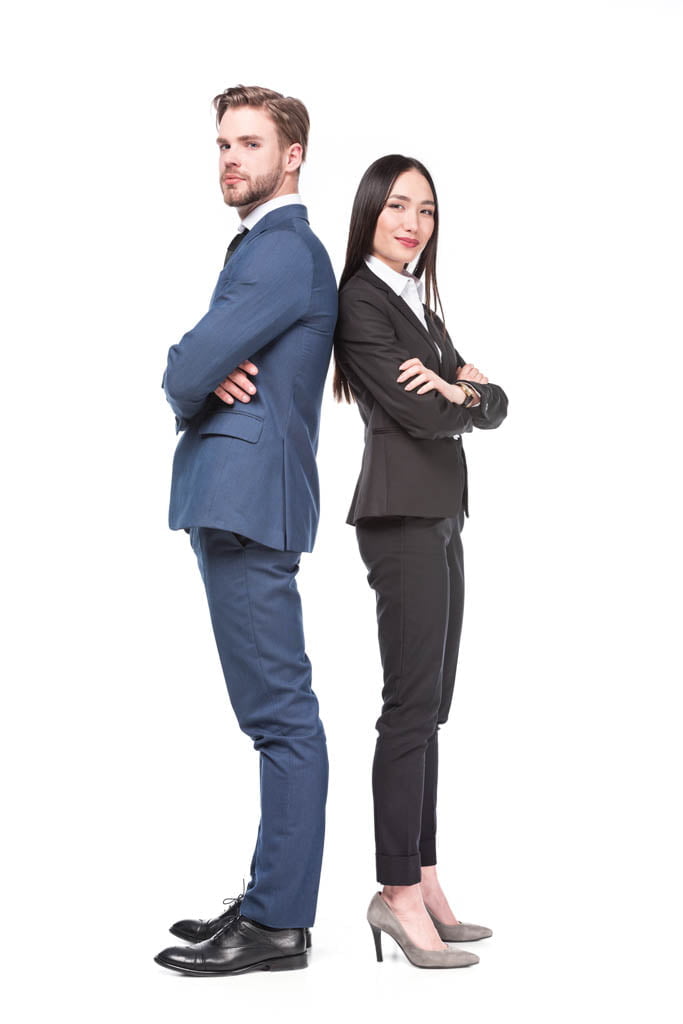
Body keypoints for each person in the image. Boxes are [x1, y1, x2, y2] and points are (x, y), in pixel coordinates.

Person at [154, 85, 337, 976]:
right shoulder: (271, 250)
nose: (229, 158)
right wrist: (205, 367)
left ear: (291, 155)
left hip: (247, 499)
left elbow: (188, 365)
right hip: (242, 499)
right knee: (275, 715)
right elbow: (203, 365)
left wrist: (195, 368)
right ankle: (271, 899)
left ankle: (276, 923)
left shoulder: (280, 250)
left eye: (249, 143)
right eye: (222, 143)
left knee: (281, 718)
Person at [333, 155, 508, 969]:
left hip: (443, 515)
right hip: (399, 516)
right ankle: (394, 892)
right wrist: (451, 394)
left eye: (427, 210)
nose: (412, 222)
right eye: (398, 205)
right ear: (370, 211)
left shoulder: (420, 306)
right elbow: (415, 413)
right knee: (406, 709)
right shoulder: (359, 300)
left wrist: (459, 389)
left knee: (431, 710)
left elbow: (493, 403)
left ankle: (425, 878)